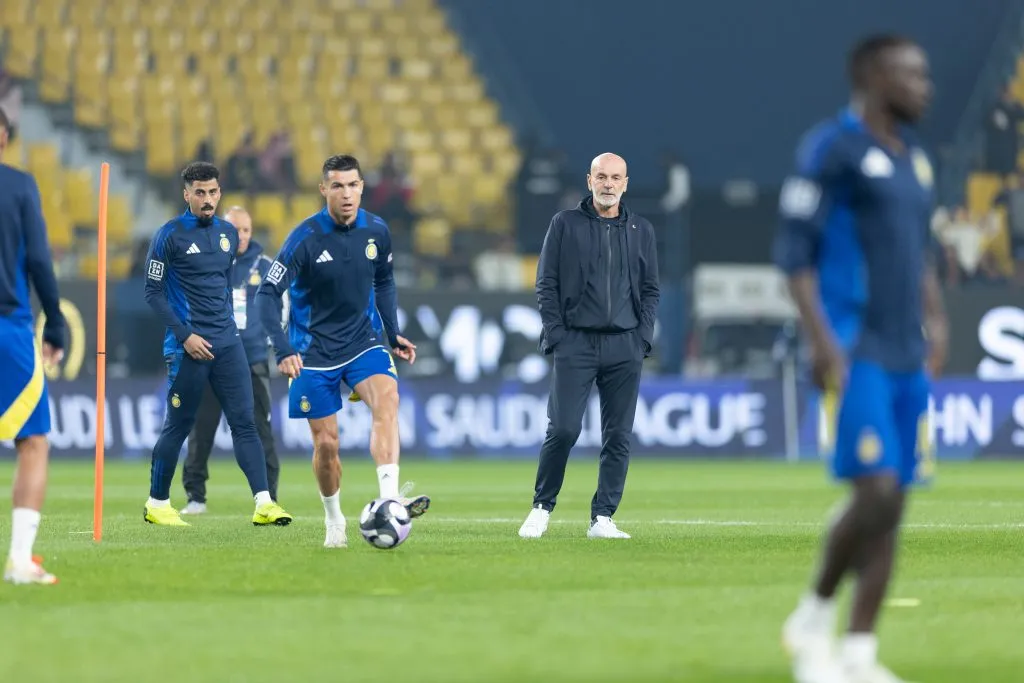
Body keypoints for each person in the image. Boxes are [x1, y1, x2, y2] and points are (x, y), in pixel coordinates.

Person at [773, 35, 948, 683]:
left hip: (906, 350)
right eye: (913, 74)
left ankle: (859, 655)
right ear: (875, 78)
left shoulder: (914, 160)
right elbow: (795, 255)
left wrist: (936, 318)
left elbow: (916, 249)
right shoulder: (832, 149)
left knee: (893, 504)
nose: (926, 86)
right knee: (874, 489)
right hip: (855, 345)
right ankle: (813, 617)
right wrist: (822, 339)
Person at [256, 154, 429, 549]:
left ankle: (388, 498)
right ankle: (334, 519)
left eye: (352, 185)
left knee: (388, 399)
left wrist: (393, 333)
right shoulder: (304, 238)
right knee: (327, 445)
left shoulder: (376, 230)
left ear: (362, 187)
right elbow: (266, 294)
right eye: (337, 186)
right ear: (324, 189)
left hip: (362, 341)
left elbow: (384, 281)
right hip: (311, 352)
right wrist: (282, 348)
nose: (346, 194)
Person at [518, 152, 660, 540]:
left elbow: (650, 289)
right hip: (576, 343)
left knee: (618, 436)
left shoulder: (641, 229)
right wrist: (559, 336)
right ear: (589, 181)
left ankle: (603, 518)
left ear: (625, 184)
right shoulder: (564, 224)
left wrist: (642, 338)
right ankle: (541, 507)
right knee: (563, 429)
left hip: (625, 346)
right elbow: (545, 283)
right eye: (602, 177)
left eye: (615, 178)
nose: (608, 184)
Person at [143, 162, 292, 527]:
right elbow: (153, 292)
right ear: (186, 194)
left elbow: (224, 286)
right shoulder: (169, 235)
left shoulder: (227, 234)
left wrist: (225, 330)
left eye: (212, 192)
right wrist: (185, 335)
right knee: (179, 425)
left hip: (227, 344)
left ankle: (264, 503)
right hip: (188, 347)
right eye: (200, 193)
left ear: (220, 192)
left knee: (245, 423)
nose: (207, 199)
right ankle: (157, 503)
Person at [181, 206, 282, 514]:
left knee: (259, 429)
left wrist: (273, 344)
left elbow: (283, 307)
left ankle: (269, 498)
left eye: (246, 230)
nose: (242, 236)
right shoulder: (206, 260)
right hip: (210, 357)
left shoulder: (266, 266)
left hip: (251, 359)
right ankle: (195, 497)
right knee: (201, 429)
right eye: (236, 229)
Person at [0, 107, 65, 585]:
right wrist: (55, 321)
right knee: (33, 441)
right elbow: (40, 259)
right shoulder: (19, 186)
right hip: (9, 328)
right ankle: (20, 561)